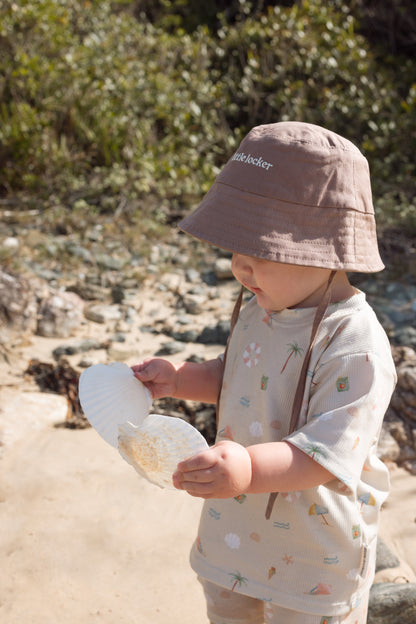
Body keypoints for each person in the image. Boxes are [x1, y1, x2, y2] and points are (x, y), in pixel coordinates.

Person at [132, 122, 397, 624]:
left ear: (326, 250)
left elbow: (328, 452)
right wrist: (181, 379)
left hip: (315, 554)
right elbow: (240, 375)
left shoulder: (355, 345)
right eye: (237, 248)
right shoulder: (262, 305)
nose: (241, 268)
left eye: (262, 252)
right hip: (235, 533)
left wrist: (248, 468)